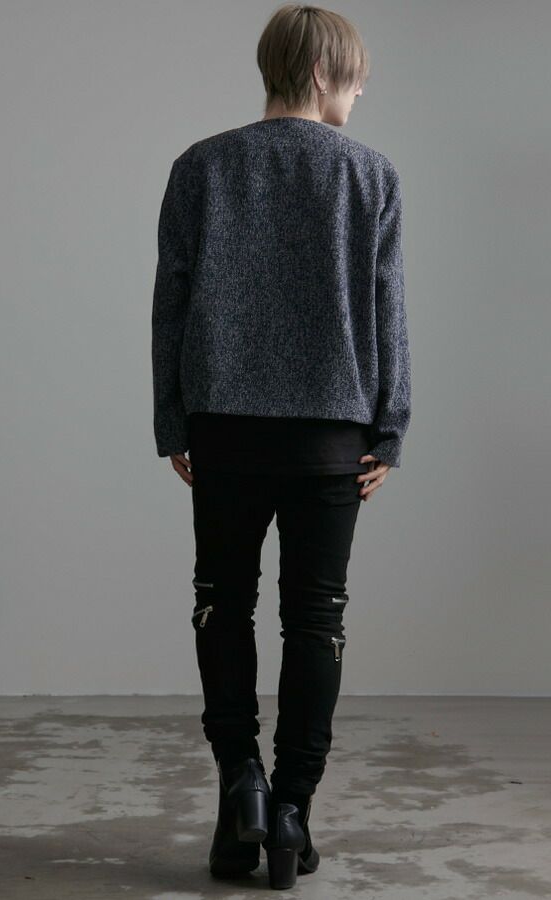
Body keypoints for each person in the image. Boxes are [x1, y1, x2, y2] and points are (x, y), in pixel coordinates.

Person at [151, 3, 411, 889]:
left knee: (221, 604)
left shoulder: (201, 166)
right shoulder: (370, 174)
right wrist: (390, 429)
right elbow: (388, 314)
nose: (361, 93)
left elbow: (171, 304)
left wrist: (172, 421)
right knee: (317, 618)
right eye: (356, 78)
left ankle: (242, 791)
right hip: (331, 439)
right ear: (324, 74)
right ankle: (293, 809)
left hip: (224, 428)